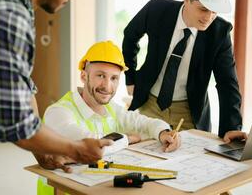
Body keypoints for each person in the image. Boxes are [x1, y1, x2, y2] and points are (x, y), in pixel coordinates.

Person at [0, 0, 112, 194]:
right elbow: (12, 121)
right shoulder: (4, 13)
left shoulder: (9, 7)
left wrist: (43, 151)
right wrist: (75, 149)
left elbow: (22, 87)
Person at [122, 0, 247, 142]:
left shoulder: (220, 32)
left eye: (214, 12)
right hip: (149, 104)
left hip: (188, 112)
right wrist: (130, 78)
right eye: (203, 9)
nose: (208, 17)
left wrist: (231, 127)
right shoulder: (157, 9)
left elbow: (227, 82)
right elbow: (130, 36)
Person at [43, 40, 179, 166]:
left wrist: (164, 133)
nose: (107, 86)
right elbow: (93, 146)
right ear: (84, 76)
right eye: (100, 75)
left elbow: (145, 123)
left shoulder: (111, 108)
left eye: (114, 78)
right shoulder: (58, 112)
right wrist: (128, 139)